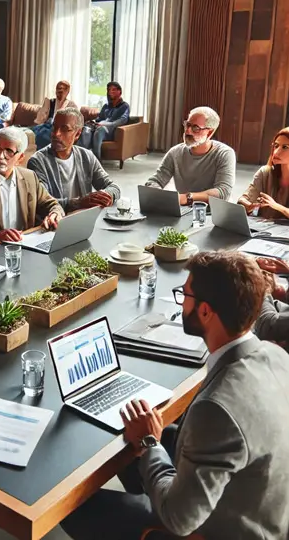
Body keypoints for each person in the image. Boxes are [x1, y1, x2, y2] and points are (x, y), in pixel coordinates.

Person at [62, 251, 289, 540]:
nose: (183, 302)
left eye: (186, 295)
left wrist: (149, 443)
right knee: (135, 439)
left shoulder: (217, 409)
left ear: (206, 311)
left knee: (76, 507)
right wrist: (150, 442)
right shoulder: (275, 355)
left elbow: (181, 520)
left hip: (219, 529)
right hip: (261, 505)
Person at [28, 108, 121, 213]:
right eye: (54, 127)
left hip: (83, 219)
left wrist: (106, 195)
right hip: (54, 222)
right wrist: (79, 203)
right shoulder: (37, 161)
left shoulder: (86, 156)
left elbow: (114, 187)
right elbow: (42, 203)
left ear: (77, 134)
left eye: (64, 129)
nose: (56, 134)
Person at [144, 106, 236, 204]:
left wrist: (187, 197)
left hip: (214, 212)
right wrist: (158, 194)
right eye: (187, 125)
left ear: (209, 132)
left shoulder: (224, 154)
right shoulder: (175, 153)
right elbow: (155, 181)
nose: (188, 131)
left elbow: (223, 193)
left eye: (195, 128)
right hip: (185, 210)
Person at [238, 127, 289, 219]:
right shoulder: (265, 173)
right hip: (264, 230)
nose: (276, 152)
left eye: (285, 147)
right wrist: (250, 206)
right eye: (276, 146)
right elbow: (243, 200)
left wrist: (276, 206)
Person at [78, 81, 130, 161]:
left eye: (113, 90)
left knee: (100, 130)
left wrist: (106, 124)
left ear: (119, 91)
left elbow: (123, 120)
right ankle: (81, 158)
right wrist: (93, 122)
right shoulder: (106, 106)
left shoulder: (124, 106)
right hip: (98, 127)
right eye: (109, 90)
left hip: (111, 131)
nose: (110, 92)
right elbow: (99, 118)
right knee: (86, 129)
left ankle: (97, 161)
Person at [31, 80, 78, 150]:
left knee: (43, 137)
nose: (60, 90)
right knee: (29, 133)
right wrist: (45, 107)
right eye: (58, 88)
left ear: (68, 92)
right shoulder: (50, 102)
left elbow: (72, 123)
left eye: (63, 89)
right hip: (45, 126)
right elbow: (40, 120)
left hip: (58, 129)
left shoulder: (71, 105)